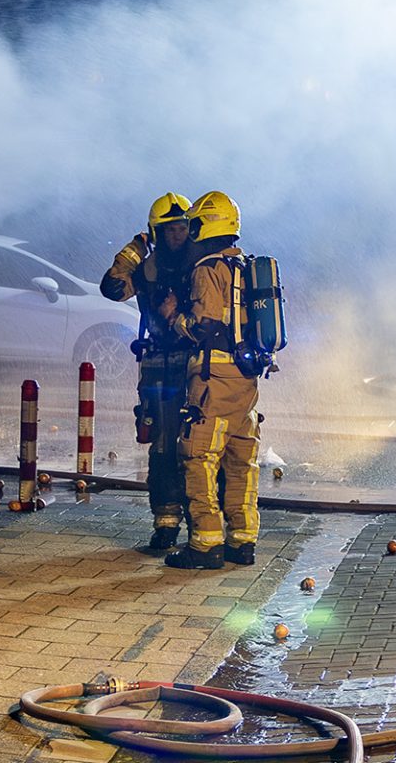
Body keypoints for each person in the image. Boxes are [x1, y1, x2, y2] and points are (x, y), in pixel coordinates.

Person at [163, 189, 259, 570]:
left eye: (196, 223)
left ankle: (206, 543)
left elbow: (204, 325)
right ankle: (243, 540)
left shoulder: (208, 269)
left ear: (208, 224)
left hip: (213, 378)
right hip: (245, 379)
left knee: (199, 456)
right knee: (241, 461)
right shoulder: (246, 268)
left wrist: (174, 317)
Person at [101, 192, 196, 552]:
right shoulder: (147, 268)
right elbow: (112, 288)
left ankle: (202, 525)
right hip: (157, 372)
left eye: (182, 227)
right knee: (160, 448)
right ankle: (166, 523)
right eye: (169, 229)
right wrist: (133, 252)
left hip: (194, 369)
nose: (177, 235)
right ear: (155, 232)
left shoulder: (202, 263)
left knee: (197, 450)